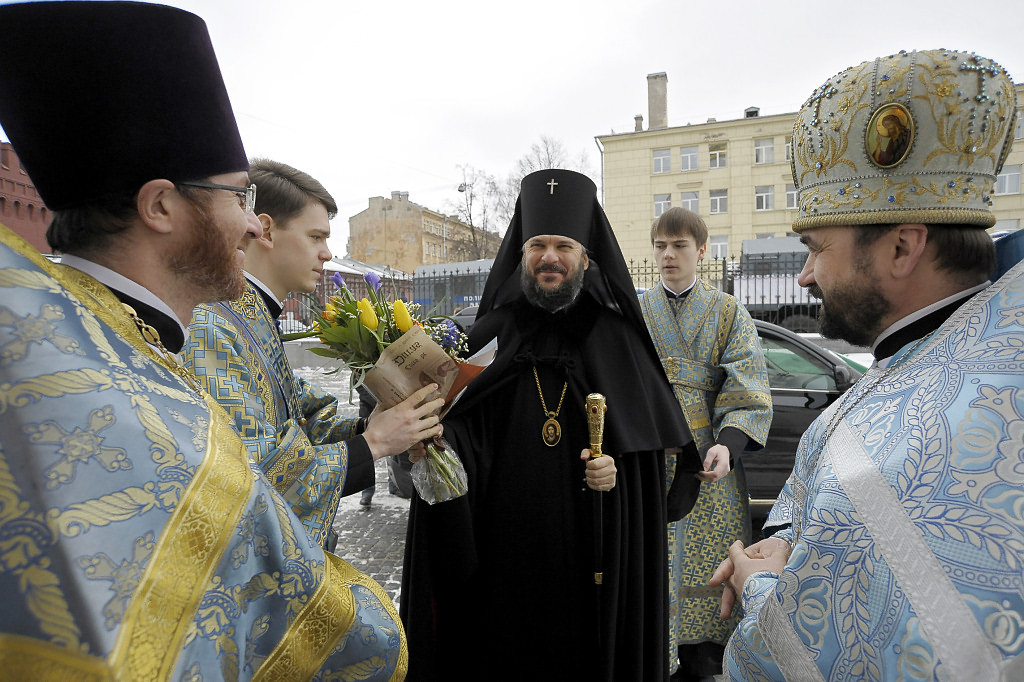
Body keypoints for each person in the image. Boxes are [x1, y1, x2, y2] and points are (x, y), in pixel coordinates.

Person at [0, 3, 407, 679]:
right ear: (161, 207)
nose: (255, 226)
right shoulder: (91, 389)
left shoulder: (93, 337)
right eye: (239, 198)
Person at [709, 48, 1024, 680]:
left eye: (817, 248)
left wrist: (760, 584)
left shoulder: (918, 435)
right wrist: (800, 547)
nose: (804, 274)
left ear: (903, 247)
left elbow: (812, 649)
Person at [401, 169, 704, 681]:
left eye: (563, 245)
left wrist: (618, 474)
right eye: (537, 244)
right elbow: (463, 430)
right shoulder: (492, 334)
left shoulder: (617, 339)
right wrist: (437, 439)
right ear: (521, 254)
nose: (549, 257)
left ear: (586, 256)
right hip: (502, 559)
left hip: (590, 564)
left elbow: (642, 462)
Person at [182, 158, 440, 546]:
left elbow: (305, 421)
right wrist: (375, 444)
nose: (327, 254)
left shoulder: (251, 315)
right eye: (316, 237)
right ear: (265, 229)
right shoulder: (211, 325)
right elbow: (253, 482)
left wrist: (378, 427)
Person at [640, 207, 772, 680]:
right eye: (660, 246)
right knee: (648, 567)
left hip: (710, 466)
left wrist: (728, 444)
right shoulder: (636, 312)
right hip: (648, 462)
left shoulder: (728, 312)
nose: (668, 255)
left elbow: (748, 385)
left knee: (707, 569)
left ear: (701, 251)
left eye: (678, 245)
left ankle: (703, 663)